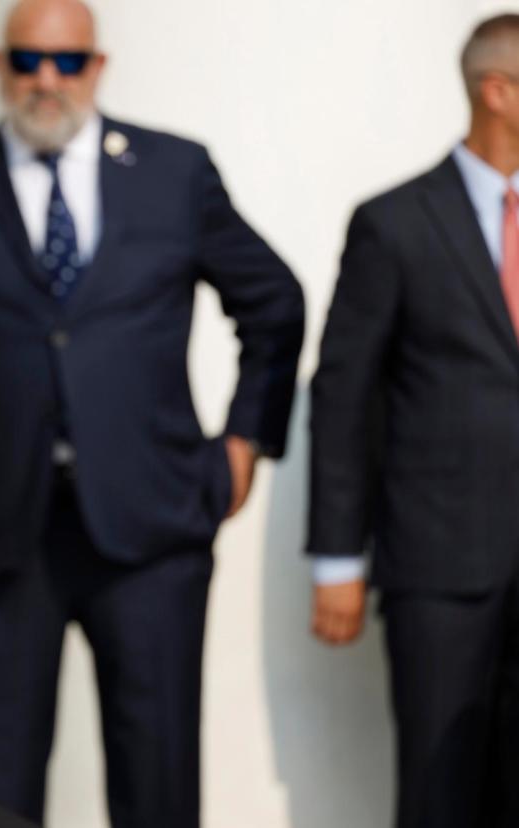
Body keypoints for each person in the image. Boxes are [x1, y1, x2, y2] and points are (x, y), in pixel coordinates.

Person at [0, 0, 304, 824]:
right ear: (0, 66)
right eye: (29, 60)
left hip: (154, 527)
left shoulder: (174, 172)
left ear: (98, 67)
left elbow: (275, 303)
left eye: (68, 61)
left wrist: (246, 439)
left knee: (158, 781)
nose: (47, 80)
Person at [308, 14, 519, 827]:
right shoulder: (394, 222)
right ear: (496, 92)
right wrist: (337, 558)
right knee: (441, 788)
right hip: (441, 566)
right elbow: (344, 392)